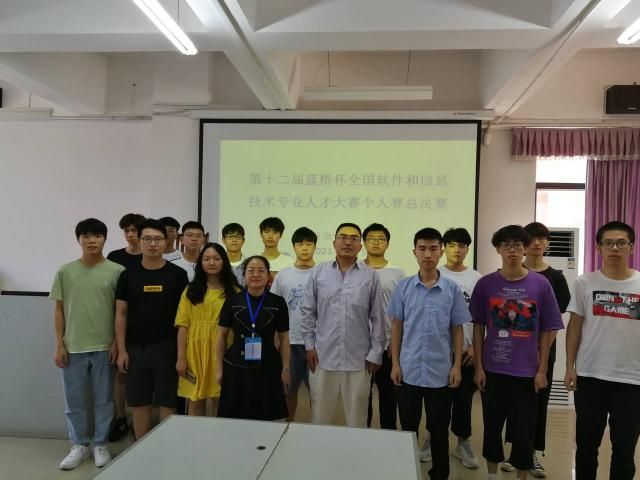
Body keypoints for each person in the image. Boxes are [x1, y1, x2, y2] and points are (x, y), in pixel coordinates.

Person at [470, 225, 564, 480]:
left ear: (524, 249)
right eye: (506, 245)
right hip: (493, 370)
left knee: (524, 430)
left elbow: (548, 329)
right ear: (498, 249)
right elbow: (478, 327)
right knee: (492, 427)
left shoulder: (541, 284)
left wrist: (542, 369)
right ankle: (492, 475)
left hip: (527, 373)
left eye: (517, 245)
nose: (512, 250)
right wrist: (479, 367)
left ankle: (522, 475)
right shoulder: (485, 284)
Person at [389, 227, 468, 480]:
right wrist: (395, 364)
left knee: (439, 430)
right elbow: (396, 327)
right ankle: (407, 473)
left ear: (441, 252)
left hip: (440, 373)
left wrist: (456, 366)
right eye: (422, 249)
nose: (427, 254)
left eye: (433, 249)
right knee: (408, 429)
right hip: (409, 370)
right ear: (414, 252)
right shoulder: (403, 287)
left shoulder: (452, 289)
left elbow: (457, 329)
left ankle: (439, 474)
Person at [564, 221, 640, 480]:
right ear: (598, 248)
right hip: (590, 376)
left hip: (632, 380)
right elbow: (575, 326)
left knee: (624, 450)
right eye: (608, 243)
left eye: (621, 243)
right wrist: (570, 366)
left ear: (631, 247)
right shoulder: (585, 282)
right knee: (586, 447)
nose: (614, 248)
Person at [50, 218, 124, 470]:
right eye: (86, 236)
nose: (92, 240)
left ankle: (100, 444)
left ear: (105, 239)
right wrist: (59, 344)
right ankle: (79, 445)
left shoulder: (117, 271)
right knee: (74, 401)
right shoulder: (65, 272)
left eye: (97, 236)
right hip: (73, 347)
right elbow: (58, 311)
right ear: (78, 239)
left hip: (105, 346)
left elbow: (121, 312)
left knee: (104, 399)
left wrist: (116, 342)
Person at [502, 222, 570, 477]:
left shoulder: (556, 278)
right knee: (513, 401)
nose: (537, 243)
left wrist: (542, 352)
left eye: (542, 238)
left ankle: (530, 453)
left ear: (548, 243)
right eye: (532, 238)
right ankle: (514, 452)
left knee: (537, 403)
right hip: (513, 351)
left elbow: (555, 322)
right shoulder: (510, 272)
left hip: (543, 354)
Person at [300, 223, 385, 428]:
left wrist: (376, 352)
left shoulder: (371, 276)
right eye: (343, 237)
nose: (348, 242)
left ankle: (355, 448)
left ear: (360, 246)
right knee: (320, 415)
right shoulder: (318, 272)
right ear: (334, 242)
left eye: (354, 238)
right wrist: (309, 346)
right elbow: (307, 312)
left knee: (357, 418)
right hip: (322, 356)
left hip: (359, 359)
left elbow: (378, 317)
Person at [115, 219, 189, 440]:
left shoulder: (177, 275)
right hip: (135, 348)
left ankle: (165, 447)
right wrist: (122, 349)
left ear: (166, 241)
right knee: (139, 401)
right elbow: (121, 314)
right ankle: (141, 448)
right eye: (147, 238)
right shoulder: (127, 275)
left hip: (168, 347)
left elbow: (184, 317)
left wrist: (181, 353)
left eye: (158, 239)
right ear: (139, 241)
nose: (153, 243)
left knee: (168, 400)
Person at [419, 227, 482, 469]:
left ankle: (463, 442)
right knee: (436, 400)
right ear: (444, 249)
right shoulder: (435, 274)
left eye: (462, 245)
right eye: (452, 245)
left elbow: (480, 318)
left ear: (468, 249)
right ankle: (431, 438)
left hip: (466, 352)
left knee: (463, 401)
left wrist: (475, 347)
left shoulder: (476, 278)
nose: (457, 250)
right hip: (438, 351)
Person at [216, 256, 291, 421]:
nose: (256, 274)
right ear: (244, 275)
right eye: (251, 270)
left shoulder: (278, 302)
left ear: (268, 275)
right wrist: (219, 369)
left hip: (268, 366)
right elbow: (221, 336)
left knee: (267, 415)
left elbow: (284, 338)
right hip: (236, 366)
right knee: (236, 416)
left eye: (261, 271)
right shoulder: (232, 301)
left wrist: (285, 368)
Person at [175, 243, 240, 416]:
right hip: (195, 352)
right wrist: (181, 357)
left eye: (216, 258)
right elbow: (182, 325)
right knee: (196, 400)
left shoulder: (234, 292)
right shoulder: (190, 290)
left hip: (224, 352)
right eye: (207, 259)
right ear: (201, 262)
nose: (211, 262)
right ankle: (197, 435)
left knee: (222, 400)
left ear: (224, 261)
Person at [270, 227, 317, 420]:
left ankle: (319, 429)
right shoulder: (284, 275)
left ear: (315, 246)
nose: (304, 248)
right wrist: (275, 338)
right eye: (300, 244)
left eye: (309, 244)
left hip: (317, 343)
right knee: (288, 390)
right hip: (289, 342)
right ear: (293, 247)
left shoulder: (322, 273)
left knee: (318, 392)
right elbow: (273, 308)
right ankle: (288, 428)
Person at [106, 212, 145, 442]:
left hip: (144, 323)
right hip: (119, 321)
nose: (131, 235)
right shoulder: (115, 257)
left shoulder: (151, 255)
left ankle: (142, 421)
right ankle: (120, 418)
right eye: (127, 231)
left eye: (135, 231)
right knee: (121, 373)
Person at [362, 223, 405, 430]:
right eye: (371, 238)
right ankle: (363, 436)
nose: (376, 242)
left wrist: (397, 345)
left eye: (381, 239)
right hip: (361, 344)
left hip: (388, 344)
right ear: (364, 243)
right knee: (362, 396)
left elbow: (403, 312)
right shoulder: (356, 270)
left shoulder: (398, 273)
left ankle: (389, 436)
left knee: (389, 396)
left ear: (388, 244)